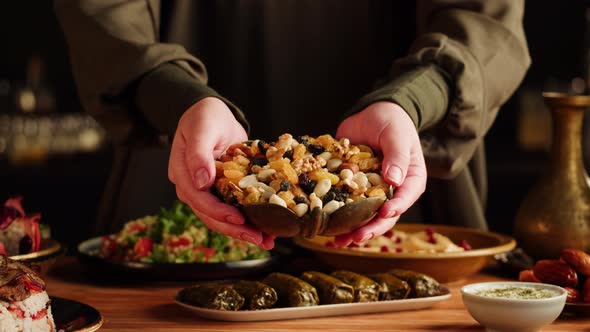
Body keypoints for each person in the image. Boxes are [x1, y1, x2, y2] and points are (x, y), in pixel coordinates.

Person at [55, 0, 530, 250]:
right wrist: (175, 97)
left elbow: (485, 20)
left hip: (406, 199)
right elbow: (103, 13)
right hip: (180, 179)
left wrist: (414, 100)